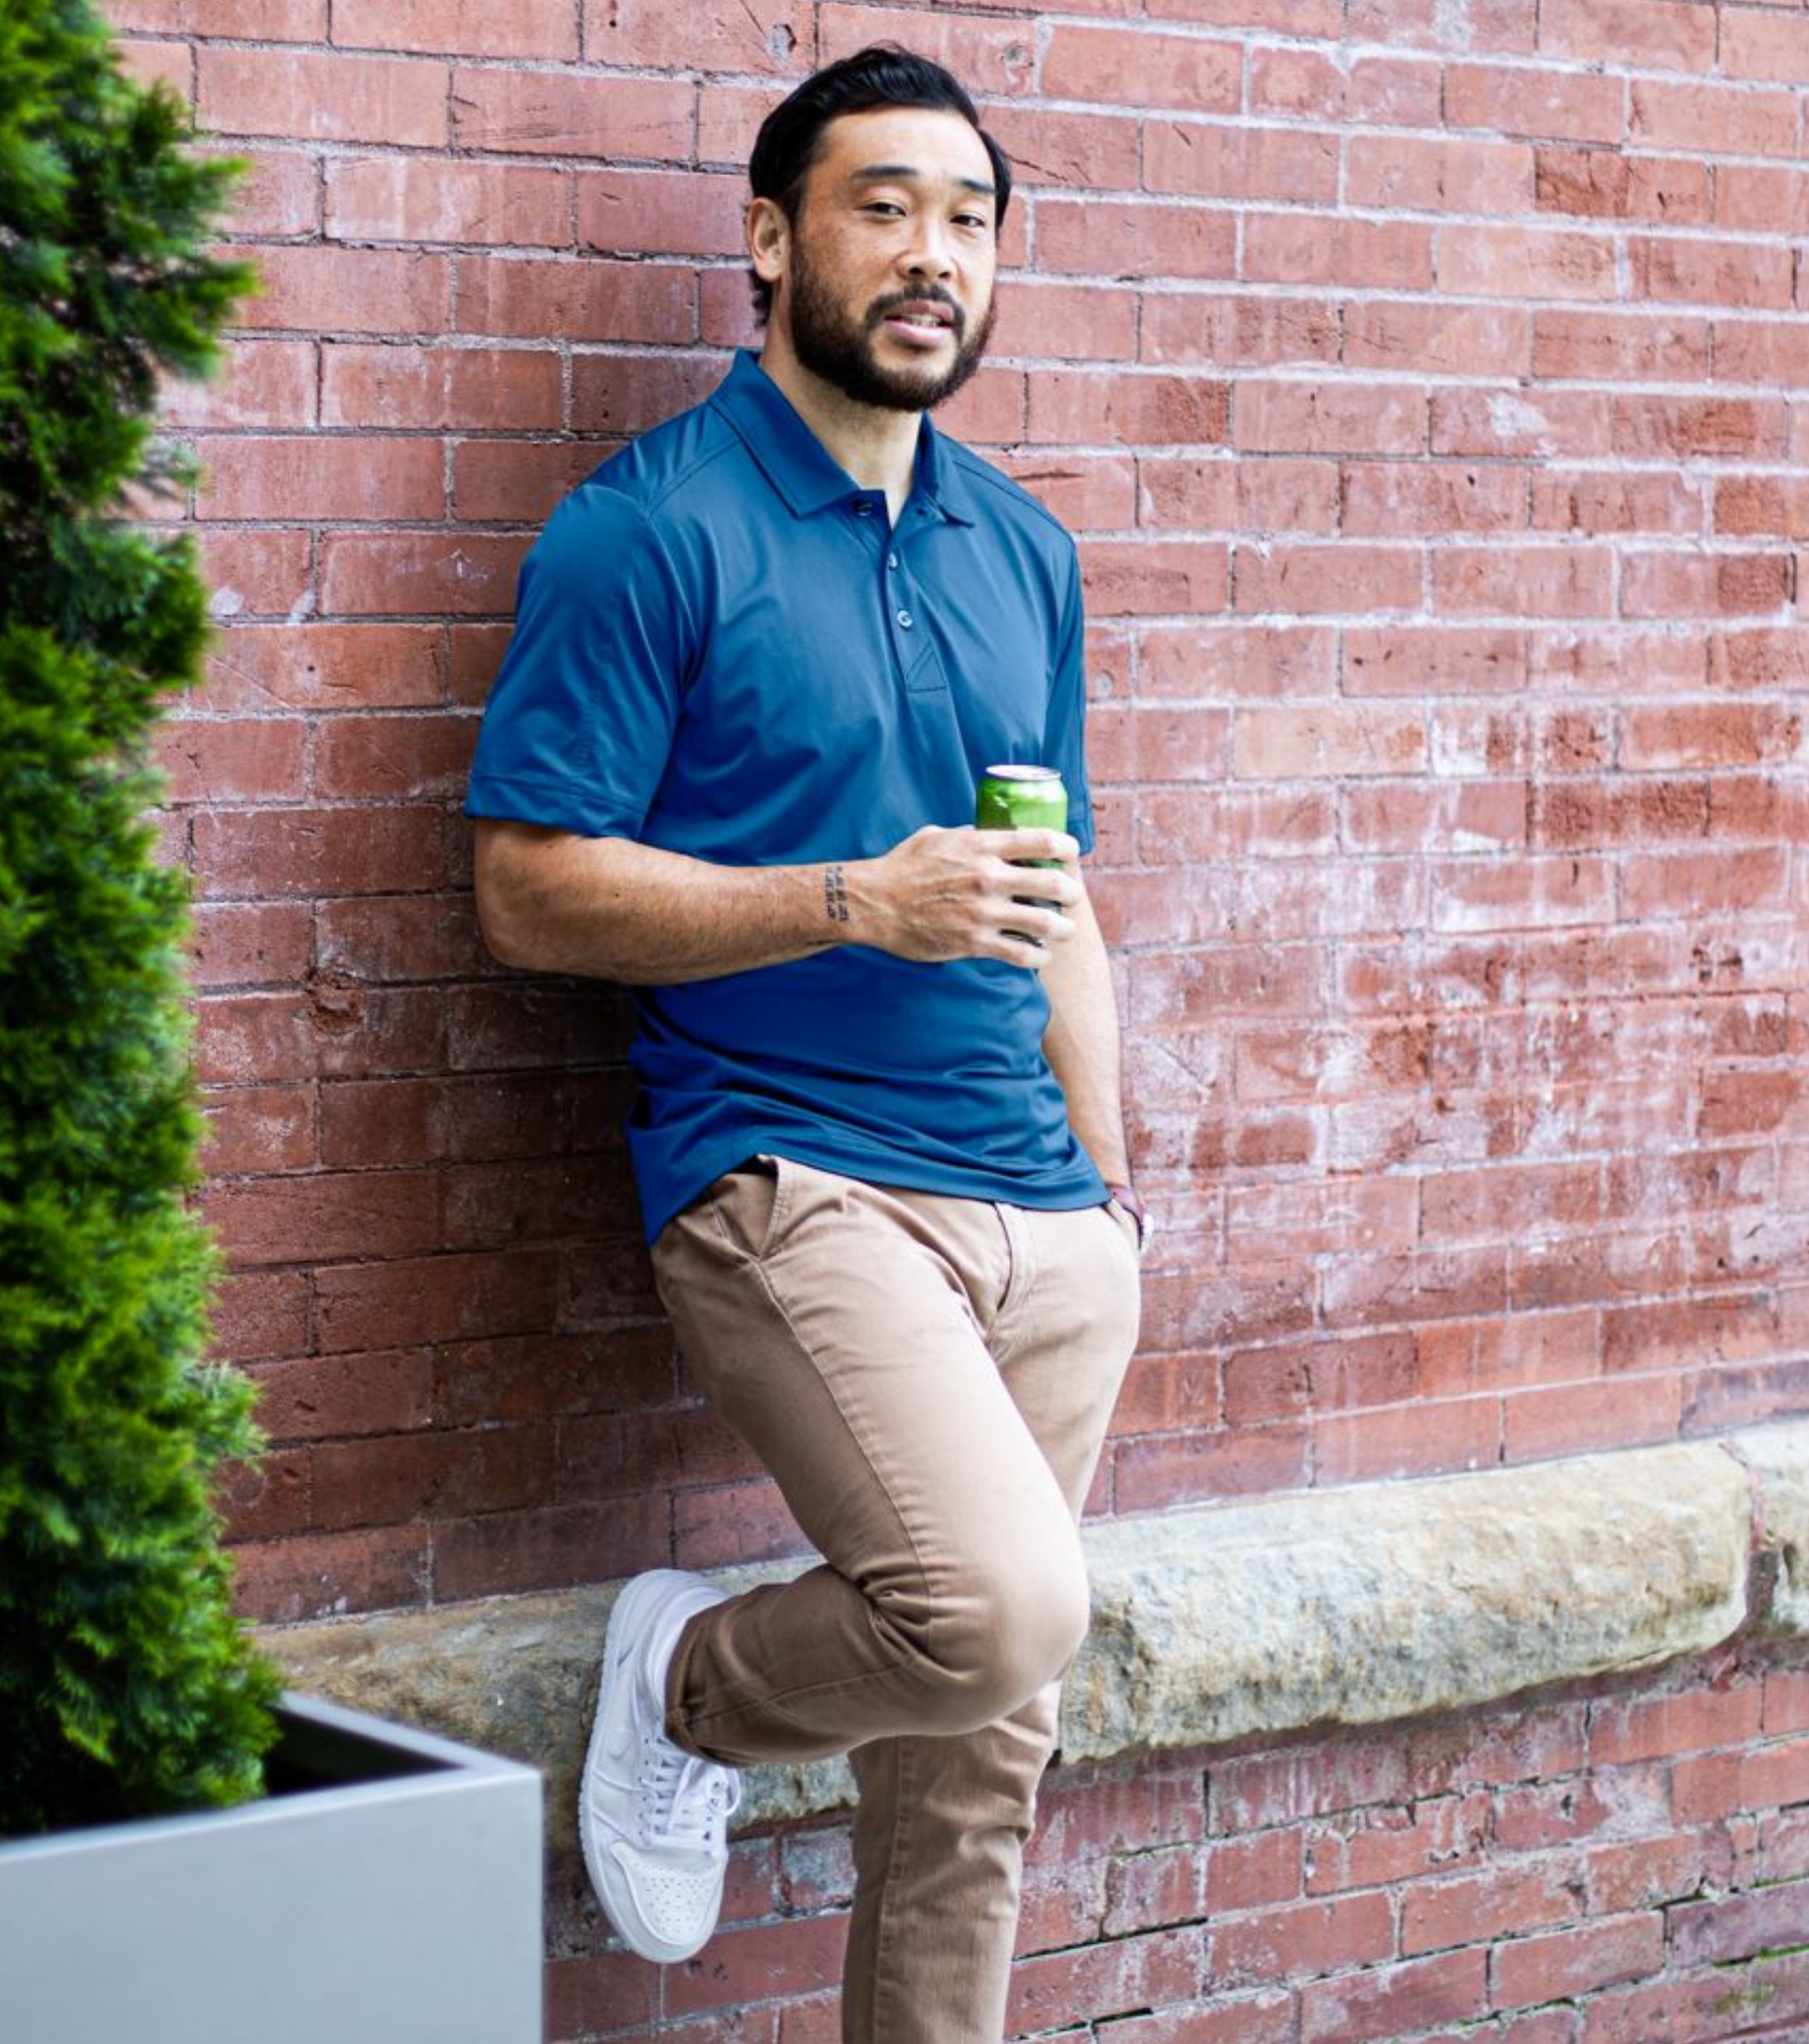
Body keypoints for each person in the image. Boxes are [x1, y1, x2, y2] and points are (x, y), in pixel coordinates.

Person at [465, 44, 1148, 2043]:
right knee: (996, 1615)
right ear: (768, 240)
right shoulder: (645, 531)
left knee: (974, 1767)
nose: (931, 254)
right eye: (881, 206)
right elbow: (526, 889)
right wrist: (854, 897)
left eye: (968, 217)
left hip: (1041, 1210)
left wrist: (1110, 1190)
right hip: (796, 1179)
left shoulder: (1020, 549)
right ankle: (688, 1682)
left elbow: (1055, 894)